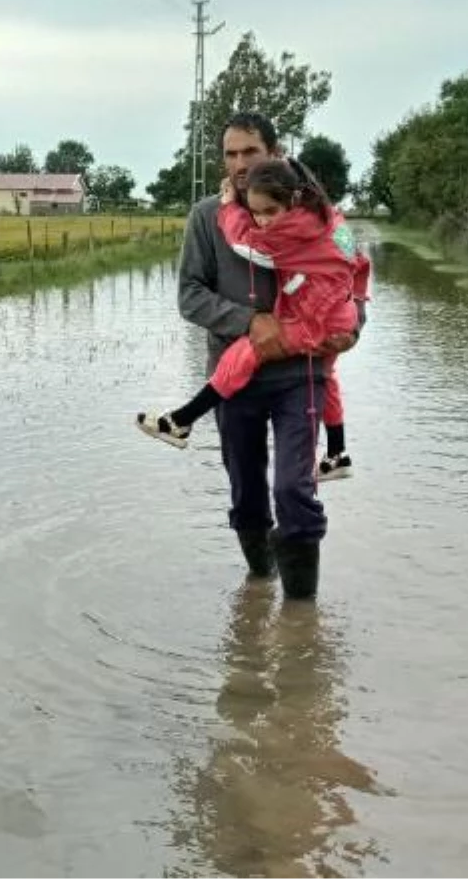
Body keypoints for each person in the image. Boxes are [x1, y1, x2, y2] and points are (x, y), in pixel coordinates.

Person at [168, 111, 367, 600]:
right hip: (235, 380)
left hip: (303, 373)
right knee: (248, 493)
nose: (239, 163)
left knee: (293, 489)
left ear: (274, 154)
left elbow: (354, 274)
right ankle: (259, 590)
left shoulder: (326, 217)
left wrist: (355, 325)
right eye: (231, 154)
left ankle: (302, 617)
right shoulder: (206, 217)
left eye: (250, 152)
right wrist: (250, 322)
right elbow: (190, 295)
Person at [136, 156, 371, 486]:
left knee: (247, 350)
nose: (261, 222)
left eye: (268, 212)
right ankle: (337, 452)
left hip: (314, 320)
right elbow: (360, 264)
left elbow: (244, 244)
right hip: (336, 315)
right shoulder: (331, 220)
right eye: (255, 212)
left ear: (291, 199)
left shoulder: (290, 234)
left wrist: (231, 206)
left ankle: (184, 419)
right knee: (328, 375)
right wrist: (353, 315)